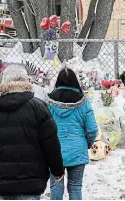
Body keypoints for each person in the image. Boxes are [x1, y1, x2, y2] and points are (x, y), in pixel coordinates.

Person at [0, 66, 64, 200]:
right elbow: (50, 143)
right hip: (30, 181)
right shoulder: (39, 107)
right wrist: (57, 170)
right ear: (26, 81)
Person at [46, 68, 98, 200]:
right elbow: (92, 129)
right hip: (77, 149)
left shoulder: (49, 102)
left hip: (54, 150)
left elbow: (43, 128)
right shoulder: (83, 102)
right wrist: (87, 143)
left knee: (56, 185)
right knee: (75, 186)